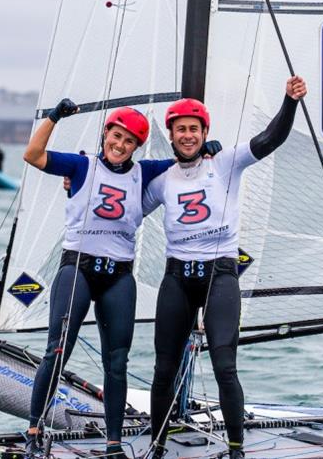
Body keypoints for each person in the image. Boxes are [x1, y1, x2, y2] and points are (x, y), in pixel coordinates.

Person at [22, 100, 223, 458]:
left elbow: (183, 160)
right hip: (78, 269)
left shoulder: (144, 172)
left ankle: (113, 443)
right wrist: (54, 117)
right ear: (106, 135)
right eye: (116, 137)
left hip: (118, 276)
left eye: (129, 141)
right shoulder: (81, 165)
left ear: (136, 146)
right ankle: (33, 430)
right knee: (57, 350)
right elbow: (33, 155)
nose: (120, 145)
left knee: (117, 361)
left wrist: (207, 149)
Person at [144, 76, 307, 459]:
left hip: (219, 276)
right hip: (177, 278)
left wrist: (289, 101)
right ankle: (157, 445)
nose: (188, 135)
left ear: (204, 133)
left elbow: (270, 140)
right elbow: (123, 206)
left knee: (224, 365)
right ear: (171, 135)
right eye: (181, 129)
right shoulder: (162, 180)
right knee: (164, 368)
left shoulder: (226, 162)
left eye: (194, 129)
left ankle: (236, 449)